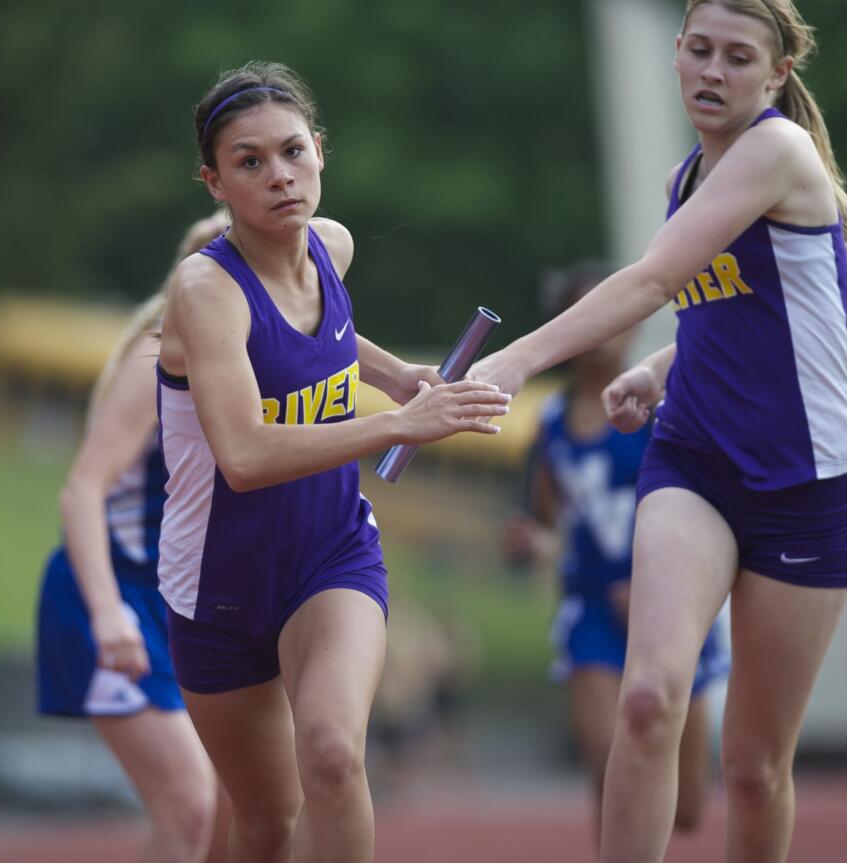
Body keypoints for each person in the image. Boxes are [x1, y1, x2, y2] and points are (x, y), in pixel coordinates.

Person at [470, 2, 847, 860]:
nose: (712, 71)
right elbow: (719, 308)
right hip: (694, 461)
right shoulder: (686, 176)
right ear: (678, 56)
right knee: (648, 699)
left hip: (806, 487)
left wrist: (517, 359)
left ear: (777, 75)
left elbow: (652, 281)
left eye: (736, 57)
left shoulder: (776, 152)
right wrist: (657, 371)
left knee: (756, 768)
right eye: (698, 50)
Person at [155, 61, 512, 863]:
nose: (279, 176)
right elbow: (243, 455)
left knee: (330, 754)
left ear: (320, 150)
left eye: (292, 152)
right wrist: (400, 422)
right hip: (216, 582)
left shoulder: (332, 247)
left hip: (330, 553)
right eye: (249, 162)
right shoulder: (205, 292)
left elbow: (331, 337)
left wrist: (396, 377)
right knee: (265, 823)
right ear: (213, 181)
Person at [503, 261, 728, 846]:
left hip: (673, 603)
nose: (604, 330)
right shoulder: (550, 424)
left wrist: (663, 584)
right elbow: (554, 523)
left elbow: (711, 504)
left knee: (687, 808)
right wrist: (534, 541)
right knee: (612, 768)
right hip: (595, 611)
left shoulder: (661, 406)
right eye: (588, 316)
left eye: (615, 314)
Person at [36, 212, 230, 863]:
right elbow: (82, 489)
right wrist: (106, 612)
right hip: (114, 592)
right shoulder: (156, 357)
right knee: (190, 804)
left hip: (184, 605)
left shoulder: (250, 363)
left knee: (228, 811)